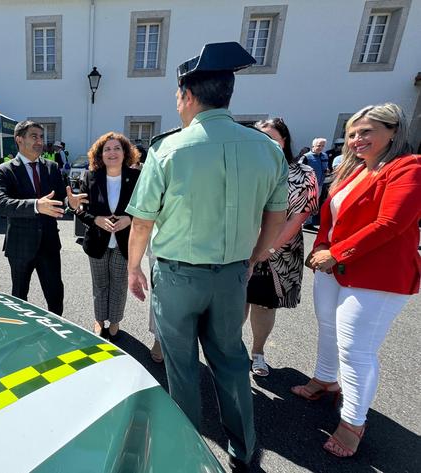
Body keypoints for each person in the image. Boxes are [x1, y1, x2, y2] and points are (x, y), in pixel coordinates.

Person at [126, 42, 288, 473]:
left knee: (181, 367)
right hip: (233, 273)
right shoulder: (267, 148)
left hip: (178, 275)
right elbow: (277, 213)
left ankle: (186, 453)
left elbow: (142, 222)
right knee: (231, 361)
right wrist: (256, 256)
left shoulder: (168, 149)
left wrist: (133, 266)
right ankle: (243, 449)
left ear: (187, 95)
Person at [294, 103, 421, 458]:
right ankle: (324, 379)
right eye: (351, 133)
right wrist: (321, 243)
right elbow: (330, 218)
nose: (356, 139)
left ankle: (353, 421)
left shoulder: (407, 168)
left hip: (377, 276)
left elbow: (390, 224)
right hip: (336, 268)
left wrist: (337, 252)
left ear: (393, 131)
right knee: (328, 327)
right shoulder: (354, 171)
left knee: (357, 350)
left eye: (366, 131)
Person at [244, 118, 319, 377]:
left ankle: (258, 353)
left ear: (284, 141)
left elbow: (298, 217)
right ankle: (231, 351)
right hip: (240, 249)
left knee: (264, 306)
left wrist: (266, 250)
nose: (266, 143)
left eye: (272, 137)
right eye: (261, 137)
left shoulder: (302, 173)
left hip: (278, 253)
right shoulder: (244, 170)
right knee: (234, 304)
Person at [0, 120, 87, 316]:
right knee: (19, 296)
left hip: (49, 243)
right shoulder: (5, 170)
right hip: (20, 245)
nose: (40, 141)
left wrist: (70, 203)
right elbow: (1, 204)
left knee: (55, 294)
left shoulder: (52, 167)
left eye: (41, 137)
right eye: (34, 136)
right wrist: (36, 206)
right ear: (19, 139)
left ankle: (57, 334)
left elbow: (61, 198)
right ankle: (20, 335)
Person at [75, 132, 140, 339]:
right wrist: (95, 219)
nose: (112, 152)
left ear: (125, 152)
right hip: (97, 241)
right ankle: (99, 318)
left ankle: (114, 321)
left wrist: (129, 219)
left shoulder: (136, 177)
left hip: (125, 241)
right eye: (107, 149)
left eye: (117, 148)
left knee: (119, 284)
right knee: (100, 284)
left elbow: (146, 207)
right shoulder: (90, 177)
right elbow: (80, 209)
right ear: (100, 155)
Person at [300, 137, 329, 229]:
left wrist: (326, 171)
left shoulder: (324, 156)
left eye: (323, 146)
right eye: (319, 145)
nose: (321, 148)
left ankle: (307, 223)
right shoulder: (306, 157)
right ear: (313, 145)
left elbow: (325, 167)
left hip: (319, 184)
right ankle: (297, 222)